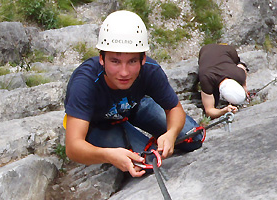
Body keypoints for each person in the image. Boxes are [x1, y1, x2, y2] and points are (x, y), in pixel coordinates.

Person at [63, 10, 202, 178]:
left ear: (143, 59)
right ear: (101, 58)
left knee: (193, 137)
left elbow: (174, 109)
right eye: (115, 61)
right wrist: (109, 155)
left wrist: (171, 134)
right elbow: (73, 147)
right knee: (148, 161)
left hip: (135, 106)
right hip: (98, 123)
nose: (124, 72)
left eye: (132, 61)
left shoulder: (150, 70)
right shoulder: (84, 83)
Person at [197, 43, 249, 119]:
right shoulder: (206, 78)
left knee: (237, 62)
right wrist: (223, 111)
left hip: (226, 49)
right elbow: (209, 111)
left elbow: (241, 66)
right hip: (206, 49)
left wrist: (244, 86)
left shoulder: (239, 75)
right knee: (215, 100)